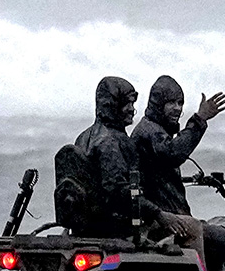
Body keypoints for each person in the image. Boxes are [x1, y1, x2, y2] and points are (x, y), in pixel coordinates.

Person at [131, 75, 225, 271]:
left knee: (219, 242)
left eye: (180, 103)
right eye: (171, 103)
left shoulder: (152, 131)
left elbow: (159, 165)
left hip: (162, 213)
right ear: (157, 104)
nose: (177, 108)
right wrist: (199, 120)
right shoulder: (151, 132)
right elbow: (173, 153)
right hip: (165, 219)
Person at [73, 76, 195, 242]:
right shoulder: (113, 142)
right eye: (126, 103)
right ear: (112, 105)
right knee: (195, 230)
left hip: (89, 228)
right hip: (119, 229)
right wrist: (159, 214)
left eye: (133, 104)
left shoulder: (84, 137)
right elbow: (119, 192)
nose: (132, 109)